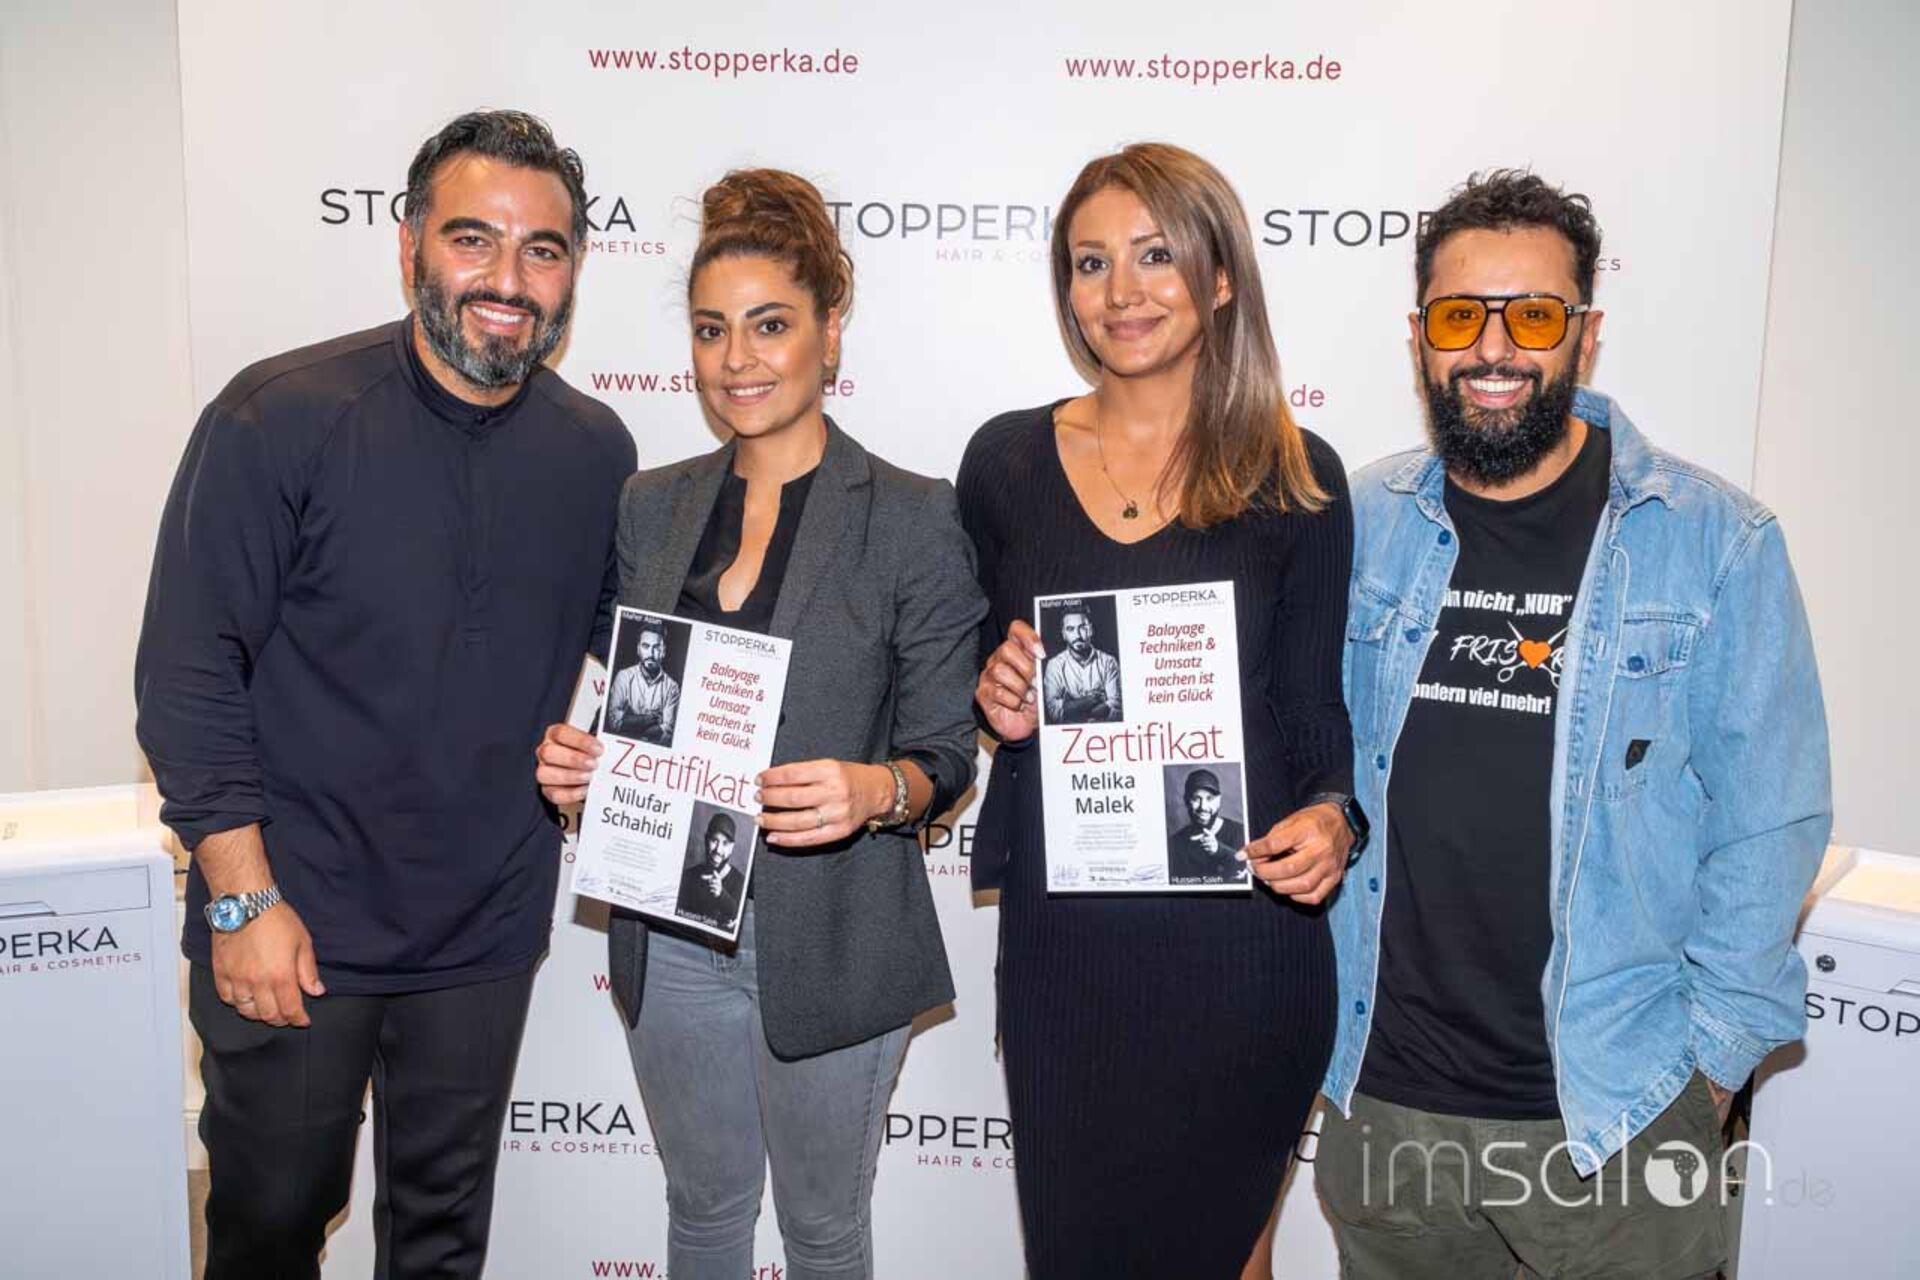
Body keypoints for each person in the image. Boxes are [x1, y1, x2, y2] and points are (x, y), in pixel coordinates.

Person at [134, 110, 634, 1279]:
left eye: (542, 249)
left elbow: (633, 656)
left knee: (442, 1239)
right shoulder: (281, 416)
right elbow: (186, 670)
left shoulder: (596, 451)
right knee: (269, 1227)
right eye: (472, 239)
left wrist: (610, 755)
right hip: (292, 922)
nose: (507, 279)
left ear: (572, 271)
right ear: (409, 244)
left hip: (483, 931)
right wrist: (241, 900)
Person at [1317, 170, 1831, 1279]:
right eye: (1462, 315)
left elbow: (1772, 820)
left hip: (1616, 1113)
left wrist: (1710, 1068)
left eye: (1535, 316)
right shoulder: (1362, 521)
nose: (1494, 347)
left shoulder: (1713, 541)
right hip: (1389, 1109)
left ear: (1585, 336)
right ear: (1420, 337)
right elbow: (1284, 731)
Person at [533, 168, 985, 1280]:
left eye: (770, 324)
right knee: (703, 1213)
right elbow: (644, 707)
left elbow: (945, 748)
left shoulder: (913, 513)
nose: (737, 358)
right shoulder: (651, 505)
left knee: (823, 1230)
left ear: (830, 334)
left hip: (834, 936)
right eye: (711, 329)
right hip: (671, 931)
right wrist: (590, 768)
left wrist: (876, 790)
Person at [960, 142, 1365, 1278]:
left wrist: (1335, 816)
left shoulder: (1298, 475)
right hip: (1069, 947)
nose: (1120, 291)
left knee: (1230, 1259)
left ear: (1221, 277)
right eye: (1091, 262)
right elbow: (974, 674)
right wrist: (998, 698)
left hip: (1244, 946)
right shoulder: (1004, 463)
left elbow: (1312, 709)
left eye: (1154, 256)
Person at [1041, 604, 1122, 723]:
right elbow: (1054, 712)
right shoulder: (1054, 666)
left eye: (1082, 627)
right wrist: (1093, 699)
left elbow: (1116, 707)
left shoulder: (1108, 662)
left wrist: (1072, 706)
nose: (1078, 635)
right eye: (1070, 629)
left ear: (1091, 630)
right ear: (1063, 634)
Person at [1167, 767, 1247, 885]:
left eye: (1210, 798)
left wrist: (1219, 850)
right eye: (1196, 798)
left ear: (1219, 800)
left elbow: (1248, 870)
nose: (1203, 806)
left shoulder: (1240, 833)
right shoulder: (1174, 844)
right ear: (1186, 801)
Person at [608, 616, 680, 744]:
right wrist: (647, 720)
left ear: (663, 651)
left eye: (656, 647)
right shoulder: (624, 676)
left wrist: (630, 721)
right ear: (638, 649)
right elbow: (613, 722)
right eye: (645, 646)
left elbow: (667, 732)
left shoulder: (672, 687)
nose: (651, 654)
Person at [675, 811, 747, 928]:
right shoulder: (687, 877)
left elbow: (738, 919)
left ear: (732, 848)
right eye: (714, 840)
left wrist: (722, 895)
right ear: (706, 840)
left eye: (725, 843)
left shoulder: (741, 883)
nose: (718, 850)